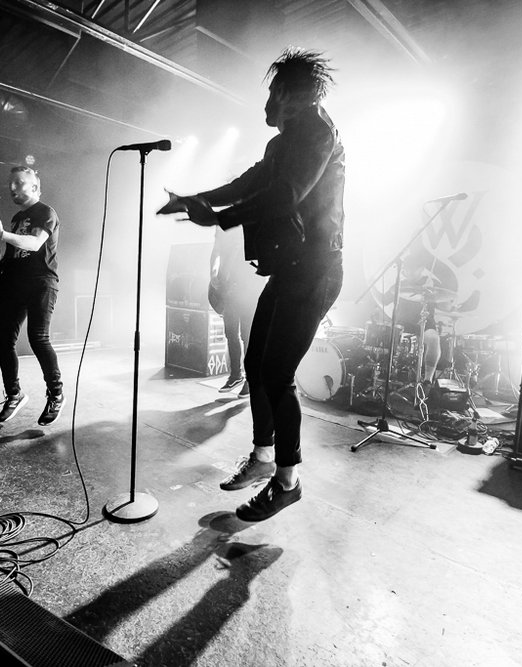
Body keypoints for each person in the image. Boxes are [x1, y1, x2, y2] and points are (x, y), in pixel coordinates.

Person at [157, 48, 345, 522]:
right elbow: (252, 181)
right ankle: (263, 458)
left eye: (274, 92)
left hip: (316, 270)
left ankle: (288, 482)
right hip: (290, 269)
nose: (267, 101)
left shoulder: (318, 134)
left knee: (277, 373)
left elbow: (284, 197)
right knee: (256, 364)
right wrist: (196, 199)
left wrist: (219, 218)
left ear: (292, 96)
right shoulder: (283, 143)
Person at [0, 166, 64, 424]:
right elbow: (1, 254)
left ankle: (56, 394)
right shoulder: (17, 217)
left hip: (41, 282)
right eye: (11, 183)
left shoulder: (46, 212)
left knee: (38, 338)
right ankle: (14, 394)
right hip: (15, 283)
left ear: (35, 187)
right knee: (3, 338)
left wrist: (2, 233)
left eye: (19, 182)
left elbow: (34, 243)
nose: (12, 187)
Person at [209, 226, 263, 397]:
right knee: (231, 333)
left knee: (247, 336)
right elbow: (216, 250)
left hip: (248, 287)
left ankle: (250, 379)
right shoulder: (222, 224)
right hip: (228, 288)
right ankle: (235, 376)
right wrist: (213, 273)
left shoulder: (250, 222)